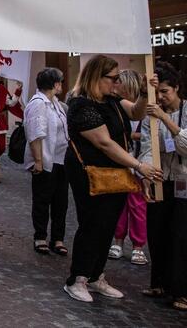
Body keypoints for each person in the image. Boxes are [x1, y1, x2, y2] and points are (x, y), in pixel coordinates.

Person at [62, 55, 162, 303]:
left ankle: (96, 276)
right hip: (90, 173)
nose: (117, 83)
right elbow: (104, 143)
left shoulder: (112, 100)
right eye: (113, 78)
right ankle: (78, 279)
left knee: (107, 225)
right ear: (97, 77)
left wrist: (144, 93)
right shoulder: (81, 105)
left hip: (115, 172)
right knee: (92, 223)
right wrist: (139, 165)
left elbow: (137, 113)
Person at [139, 62, 187, 309]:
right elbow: (147, 147)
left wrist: (165, 119)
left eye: (165, 92)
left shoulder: (182, 111)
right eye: (158, 92)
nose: (161, 97)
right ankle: (158, 283)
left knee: (180, 236)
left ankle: (181, 291)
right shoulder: (151, 115)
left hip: (183, 182)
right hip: (161, 180)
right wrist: (146, 175)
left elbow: (185, 146)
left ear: (177, 88)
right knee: (156, 232)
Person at [24, 67, 70, 256]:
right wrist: (38, 161)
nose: (62, 84)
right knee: (43, 199)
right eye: (60, 81)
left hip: (61, 160)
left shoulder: (56, 104)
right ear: (55, 84)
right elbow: (35, 134)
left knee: (61, 201)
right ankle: (40, 236)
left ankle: (58, 238)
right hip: (46, 160)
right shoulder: (39, 103)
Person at [109, 69, 149, 264]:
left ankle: (138, 245)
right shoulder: (115, 107)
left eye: (119, 82)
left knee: (137, 206)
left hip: (139, 164)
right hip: (121, 164)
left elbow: (149, 137)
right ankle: (117, 240)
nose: (115, 86)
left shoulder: (142, 111)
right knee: (119, 205)